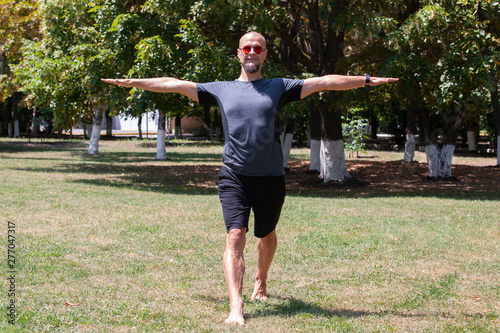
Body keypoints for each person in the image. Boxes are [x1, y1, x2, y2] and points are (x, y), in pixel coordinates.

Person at [102, 31, 398, 326]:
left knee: (266, 235)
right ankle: (236, 307)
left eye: (258, 47)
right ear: (239, 53)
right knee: (235, 236)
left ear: (265, 54)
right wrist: (135, 82)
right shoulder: (220, 89)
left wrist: (367, 80)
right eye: (247, 47)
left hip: (270, 175)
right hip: (233, 174)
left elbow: (324, 82)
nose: (252, 51)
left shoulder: (279, 87)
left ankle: (261, 280)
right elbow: (174, 85)